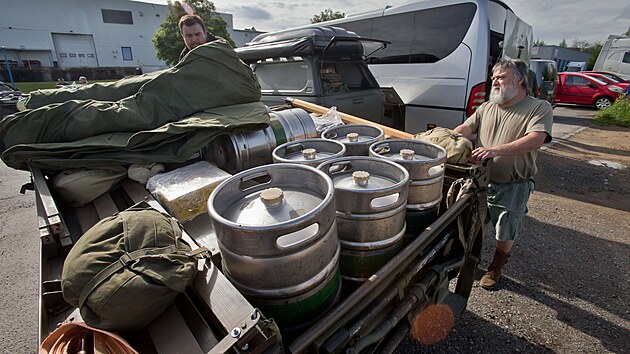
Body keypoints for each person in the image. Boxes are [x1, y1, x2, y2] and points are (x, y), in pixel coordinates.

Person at [454, 59, 553, 290]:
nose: (494, 82)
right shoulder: (487, 107)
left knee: (506, 228)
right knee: (476, 225)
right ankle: (471, 262)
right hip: (479, 180)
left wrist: (493, 150)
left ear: (519, 79)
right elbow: (465, 129)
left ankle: (496, 267)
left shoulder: (538, 107)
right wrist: (446, 137)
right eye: (493, 78)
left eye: (501, 77)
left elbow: (536, 139)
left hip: (513, 183)